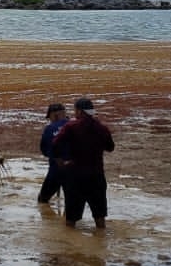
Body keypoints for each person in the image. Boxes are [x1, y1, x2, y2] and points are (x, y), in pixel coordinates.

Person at [51, 97, 115, 229]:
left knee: (71, 220)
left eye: (75, 111)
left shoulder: (71, 127)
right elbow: (110, 147)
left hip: (75, 176)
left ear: (79, 112)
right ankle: (100, 244)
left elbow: (55, 145)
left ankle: (69, 247)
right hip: (96, 176)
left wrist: (61, 163)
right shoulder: (102, 128)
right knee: (100, 217)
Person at [36, 102, 69, 207]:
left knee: (42, 200)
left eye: (49, 117)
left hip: (56, 171)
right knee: (71, 202)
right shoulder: (74, 125)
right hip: (75, 170)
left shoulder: (49, 129)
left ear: (54, 115)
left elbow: (44, 150)